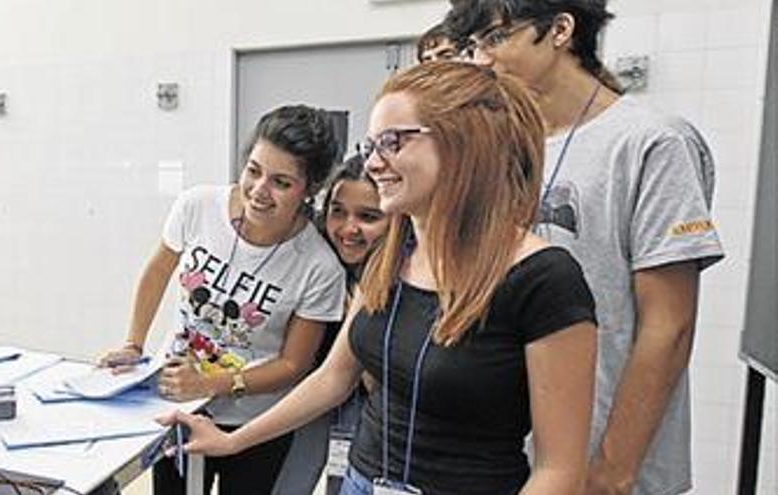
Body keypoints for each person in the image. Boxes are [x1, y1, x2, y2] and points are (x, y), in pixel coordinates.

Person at [160, 60, 598, 495]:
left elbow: (559, 470)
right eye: (371, 146)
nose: (373, 163)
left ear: (465, 145)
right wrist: (232, 441)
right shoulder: (394, 255)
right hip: (362, 482)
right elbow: (334, 378)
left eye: (392, 142)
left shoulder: (543, 279)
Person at [444, 1, 725, 494]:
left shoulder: (653, 143)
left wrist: (612, 471)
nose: (481, 61)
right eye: (472, 47)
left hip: (607, 466)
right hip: (506, 458)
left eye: (493, 39)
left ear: (560, 30)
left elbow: (670, 325)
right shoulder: (501, 146)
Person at [99, 104, 347, 494]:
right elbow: (158, 271)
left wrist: (212, 383)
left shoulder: (318, 266)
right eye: (253, 170)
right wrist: (134, 343)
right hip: (178, 402)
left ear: (310, 189)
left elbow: (293, 365)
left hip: (254, 424)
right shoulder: (197, 206)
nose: (259, 191)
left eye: (281, 182)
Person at [272, 154, 390, 495]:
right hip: (306, 407)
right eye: (338, 211)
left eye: (368, 217)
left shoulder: (406, 282)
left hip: (369, 419)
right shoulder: (314, 263)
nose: (348, 228)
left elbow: (385, 391)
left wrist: (359, 326)